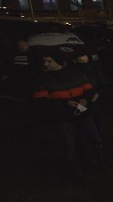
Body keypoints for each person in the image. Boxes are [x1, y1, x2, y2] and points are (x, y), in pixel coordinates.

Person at [32, 50, 105, 181]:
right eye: (45, 61)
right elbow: (40, 100)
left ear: (59, 62)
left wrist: (84, 100)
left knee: (94, 139)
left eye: (49, 61)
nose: (46, 64)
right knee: (70, 147)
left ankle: (96, 165)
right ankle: (78, 174)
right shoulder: (43, 79)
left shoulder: (74, 74)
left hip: (81, 111)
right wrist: (65, 103)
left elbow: (88, 89)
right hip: (62, 117)